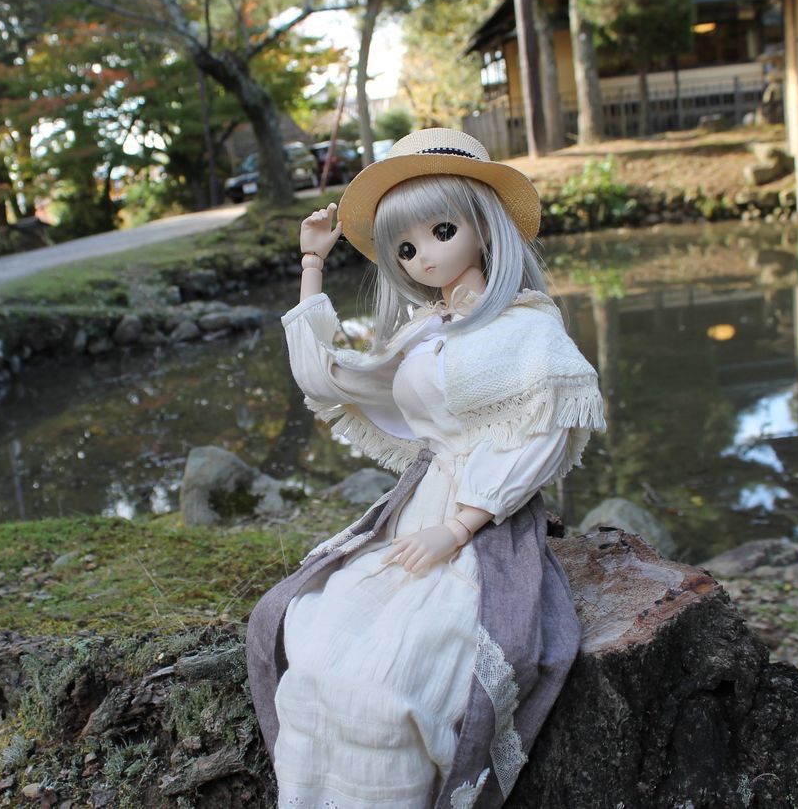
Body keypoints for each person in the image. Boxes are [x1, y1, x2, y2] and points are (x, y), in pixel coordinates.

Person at [246, 128, 605, 809]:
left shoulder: (528, 329)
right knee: (316, 639)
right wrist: (312, 263)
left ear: (484, 226)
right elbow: (330, 378)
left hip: (485, 522)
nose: (424, 257)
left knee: (401, 678)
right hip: (416, 508)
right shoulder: (424, 330)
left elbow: (543, 435)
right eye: (406, 248)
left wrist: (461, 525)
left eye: (442, 232)